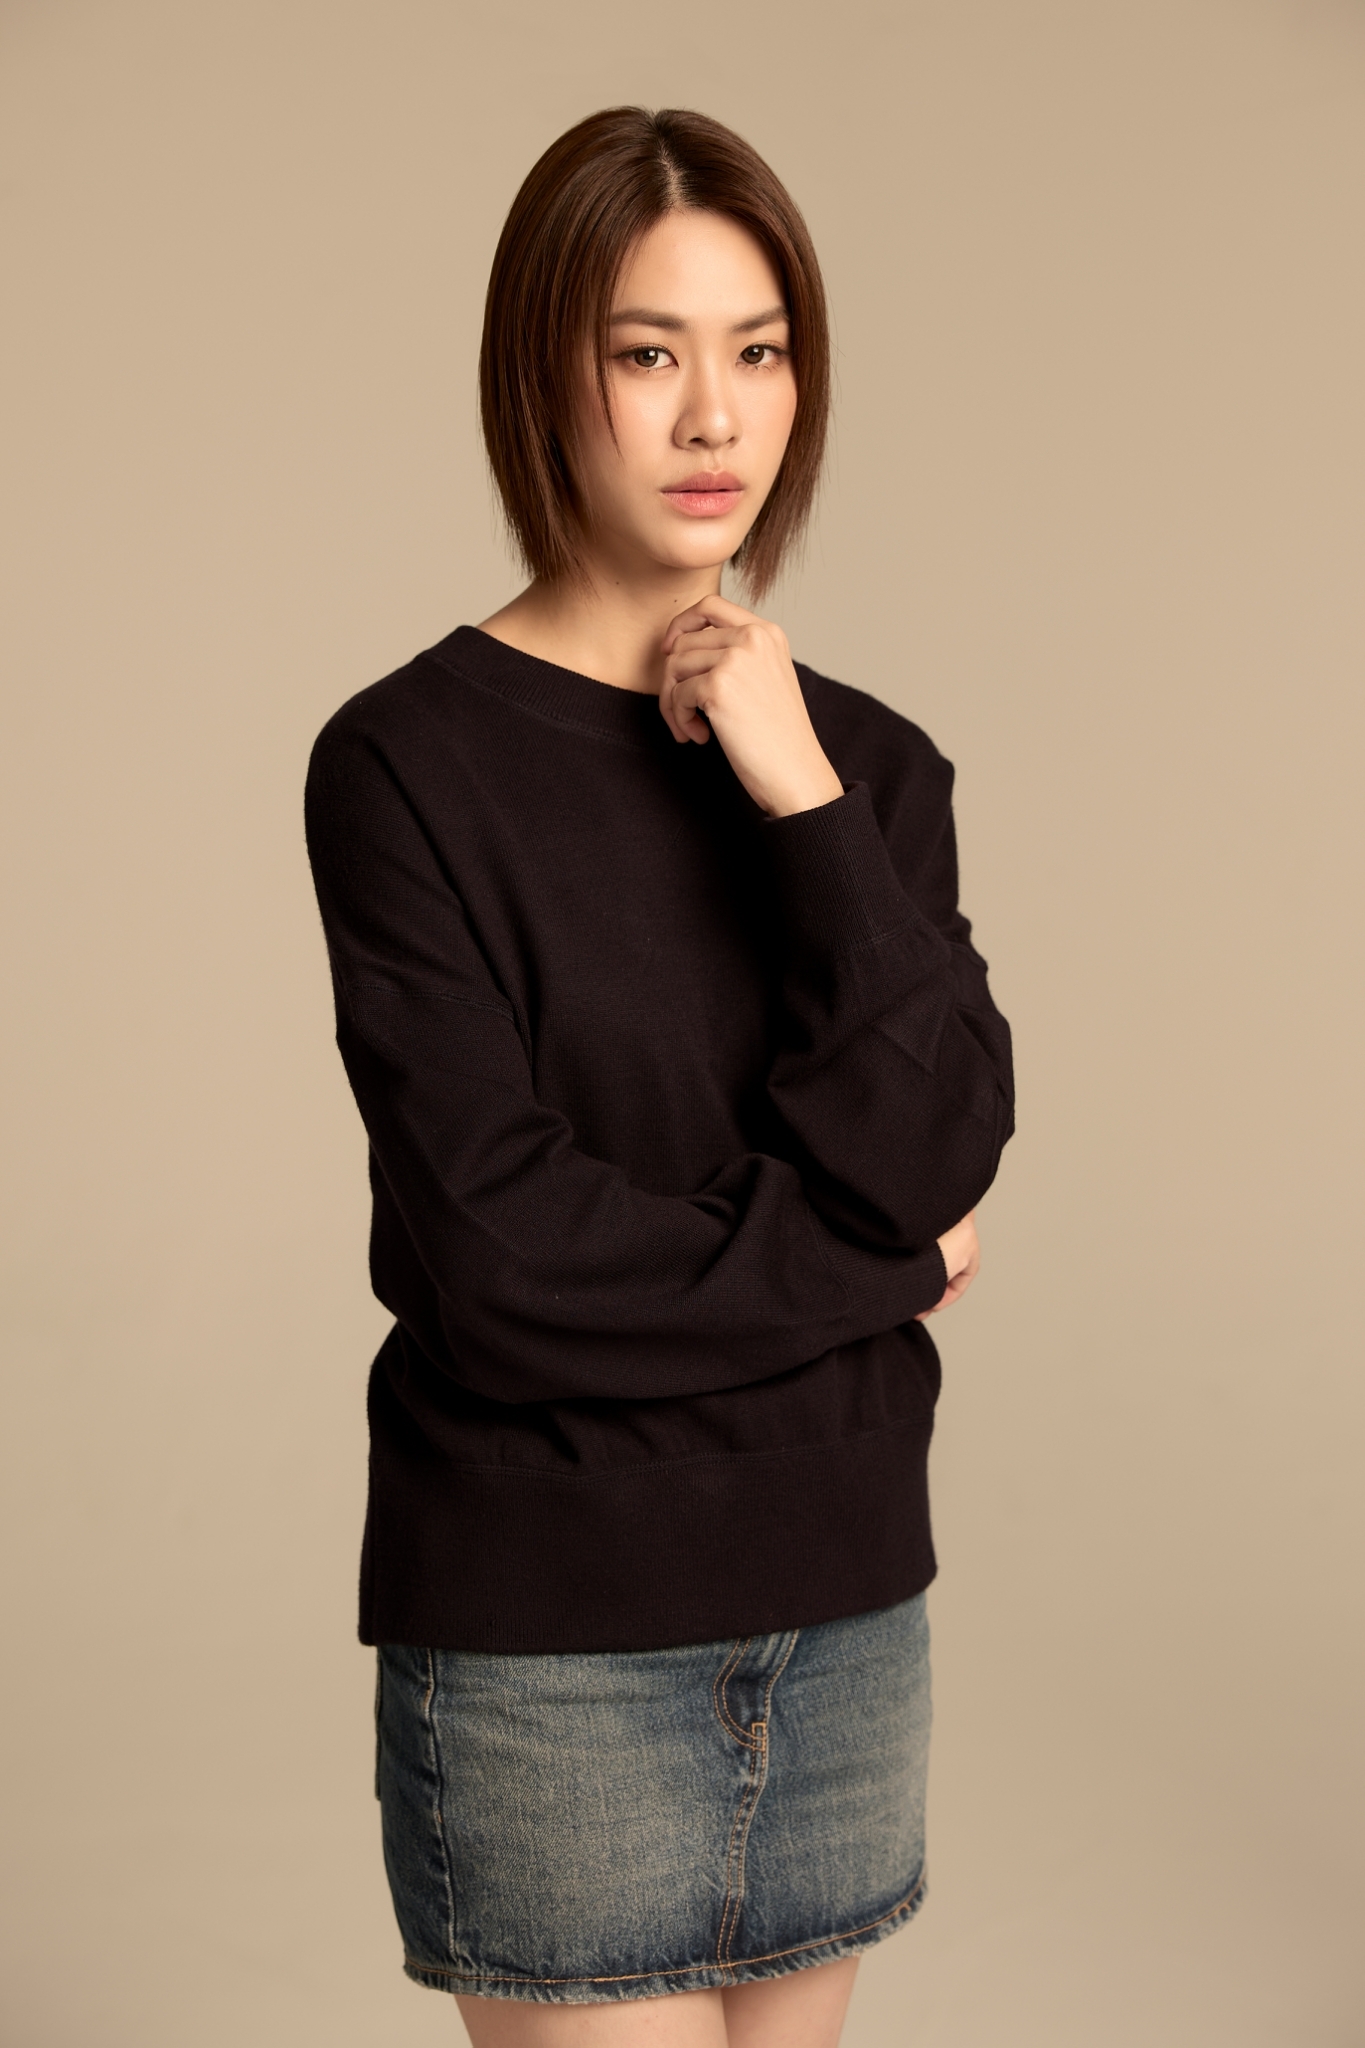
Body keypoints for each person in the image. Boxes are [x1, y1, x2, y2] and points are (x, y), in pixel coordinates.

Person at [305, 105, 1013, 2048]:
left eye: (758, 350)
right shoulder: (405, 767)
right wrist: (879, 1268)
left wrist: (795, 794)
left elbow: (936, 1133)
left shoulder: (866, 770)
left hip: (845, 1608)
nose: (714, 415)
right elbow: (505, 1261)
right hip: (551, 1642)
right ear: (543, 373)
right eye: (646, 351)